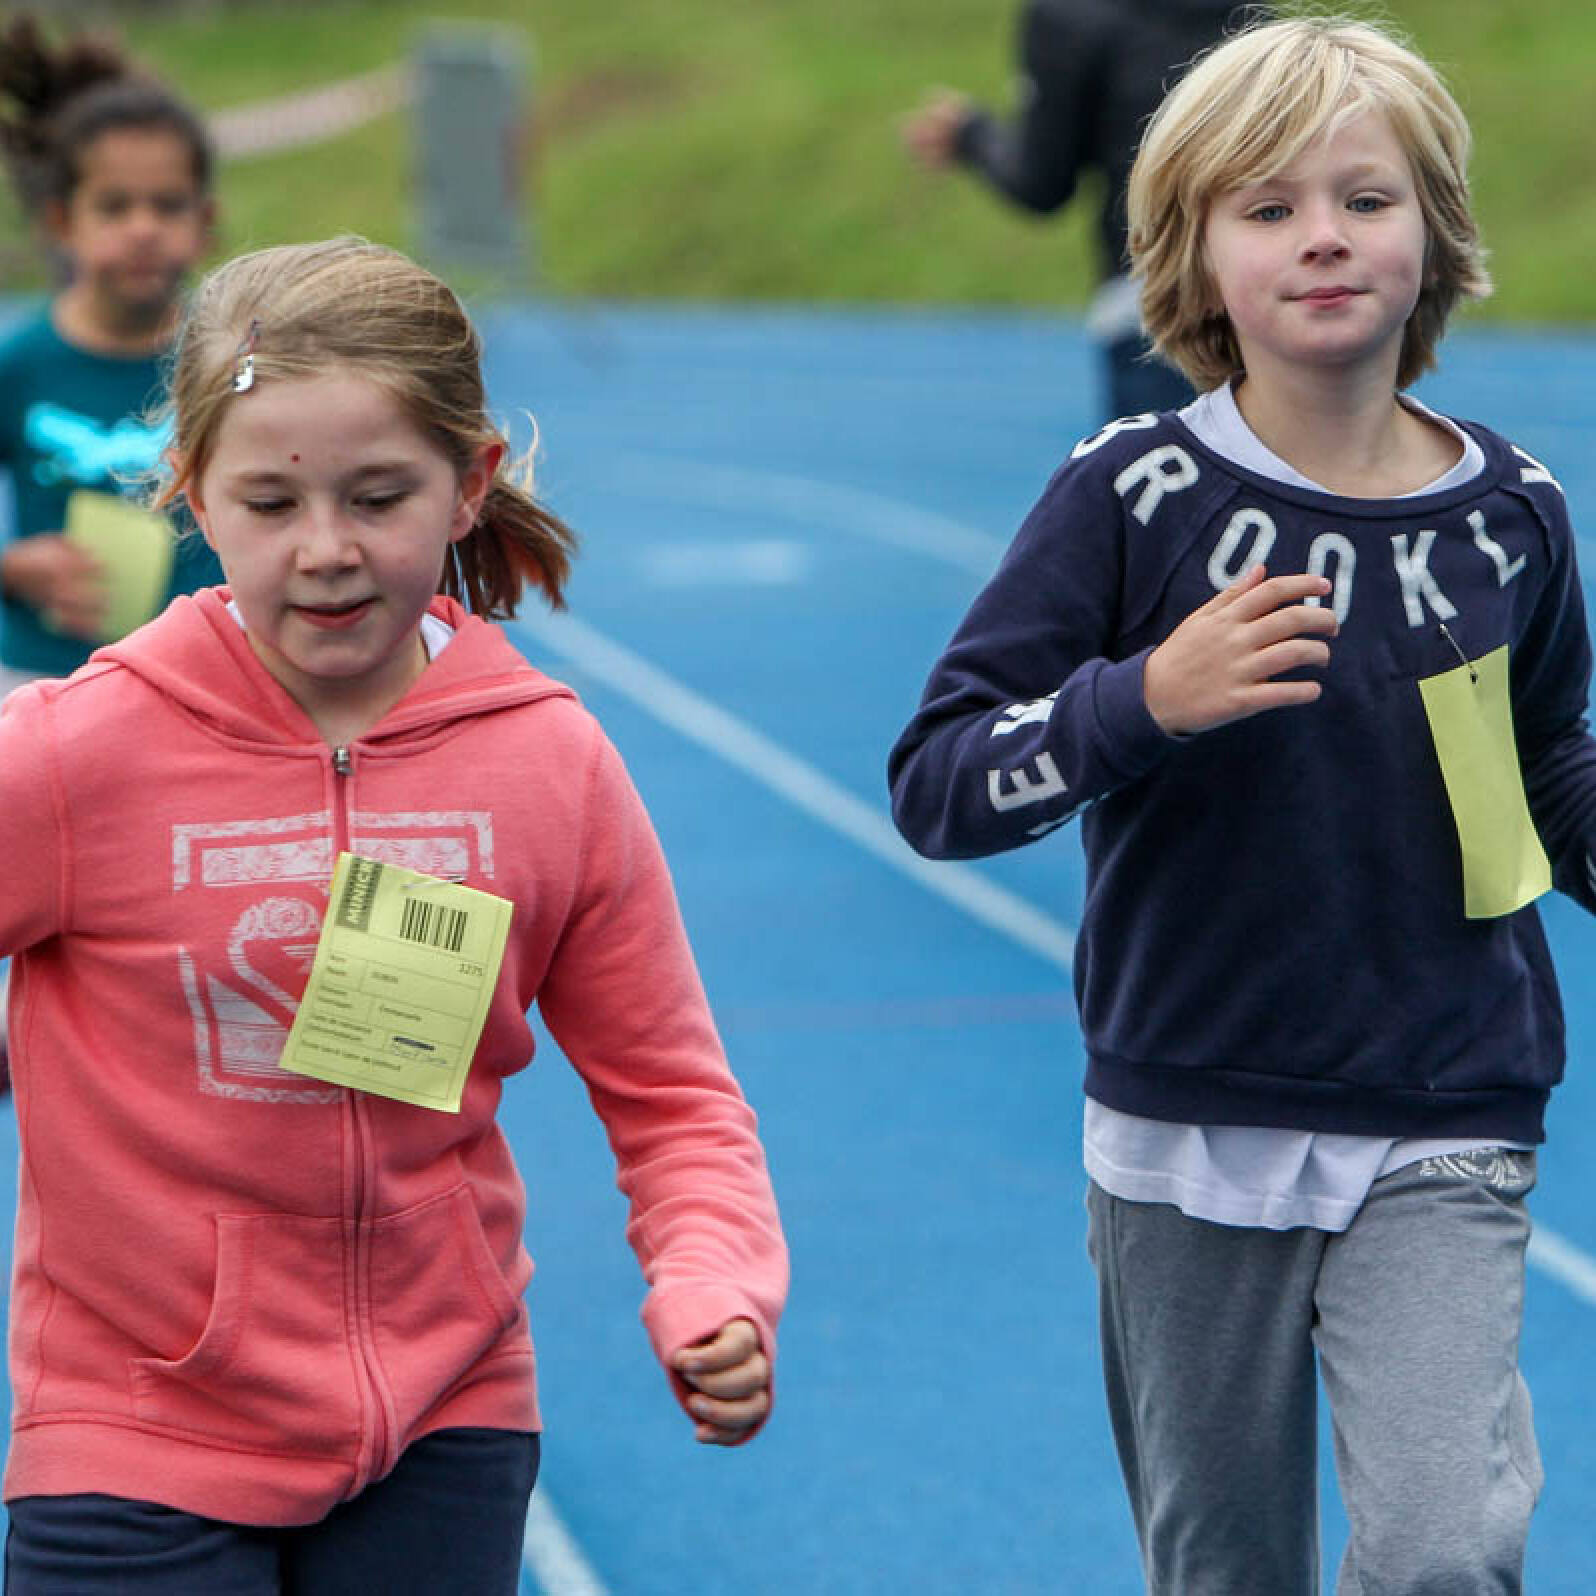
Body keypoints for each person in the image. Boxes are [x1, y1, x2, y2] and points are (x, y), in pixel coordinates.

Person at [890, 16, 1586, 1593]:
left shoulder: (1512, 514)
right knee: (1226, 1567)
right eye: (1268, 209)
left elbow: (1548, 762)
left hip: (1446, 1106)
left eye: (1366, 198)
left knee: (1447, 1549)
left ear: (1436, 231)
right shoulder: (1131, 495)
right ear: (1194, 257)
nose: (1323, 236)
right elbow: (939, 780)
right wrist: (1142, 699)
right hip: (1189, 1116)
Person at [0, 236, 788, 1594]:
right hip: (131, 1430)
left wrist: (713, 1281)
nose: (327, 552)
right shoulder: (80, 754)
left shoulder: (546, 762)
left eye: (379, 497)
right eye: (268, 503)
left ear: (470, 482)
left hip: (445, 1423)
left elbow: (674, 1094)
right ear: (192, 493)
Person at [0, 13, 223, 692]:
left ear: (205, 223)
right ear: (63, 221)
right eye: (115, 207)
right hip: (46, 679)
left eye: (168, 205)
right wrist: (11, 569)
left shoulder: (231, 361)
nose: (143, 230)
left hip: (202, 679)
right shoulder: (21, 365)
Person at [902, 0, 1256, 421]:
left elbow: (1043, 182)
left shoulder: (1070, 16)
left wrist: (972, 135)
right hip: (1263, 292)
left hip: (1152, 305)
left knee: (1158, 461)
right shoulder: (1247, 13)